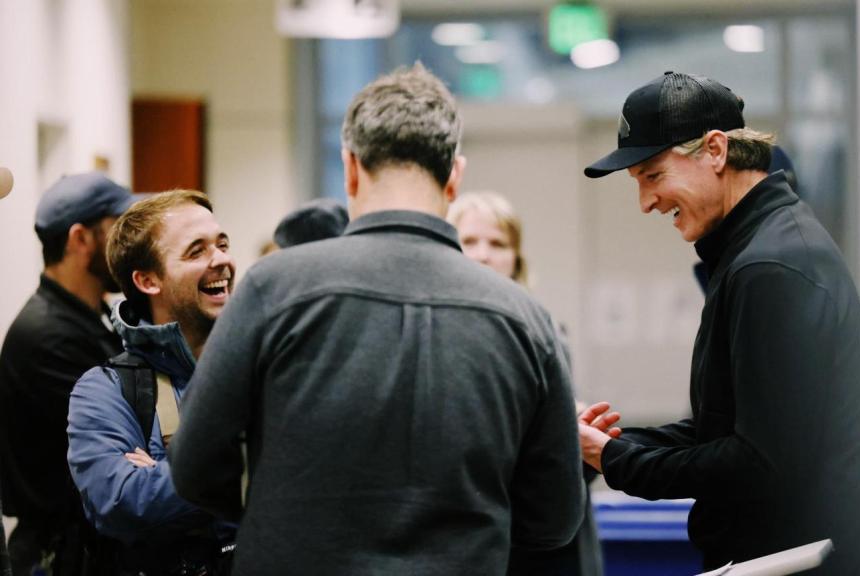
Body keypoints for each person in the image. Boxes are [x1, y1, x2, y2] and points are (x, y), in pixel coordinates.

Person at [169, 63, 584, 576]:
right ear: (454, 176)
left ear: (350, 167)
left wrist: (275, 515)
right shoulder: (526, 320)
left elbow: (194, 467)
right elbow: (554, 517)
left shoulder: (271, 289)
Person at [578, 72, 860, 574]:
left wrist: (617, 461)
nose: (646, 203)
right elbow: (728, 428)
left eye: (652, 176)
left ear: (715, 150)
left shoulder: (770, 266)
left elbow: (757, 462)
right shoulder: (758, 249)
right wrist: (619, 444)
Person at [66, 190, 236, 575]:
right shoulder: (105, 390)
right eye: (197, 251)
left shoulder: (266, 365)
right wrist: (253, 464)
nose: (221, 260)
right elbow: (124, 503)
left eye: (222, 244)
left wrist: (164, 471)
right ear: (147, 280)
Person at [448, 192, 603, 576]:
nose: (483, 255)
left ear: (516, 258)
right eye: (469, 241)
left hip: (541, 544)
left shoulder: (544, 334)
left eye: (498, 243)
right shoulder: (434, 336)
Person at [0, 172, 134, 576]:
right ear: (81, 239)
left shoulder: (89, 315)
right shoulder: (47, 335)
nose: (131, 245)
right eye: (119, 230)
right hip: (61, 557)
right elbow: (133, 432)